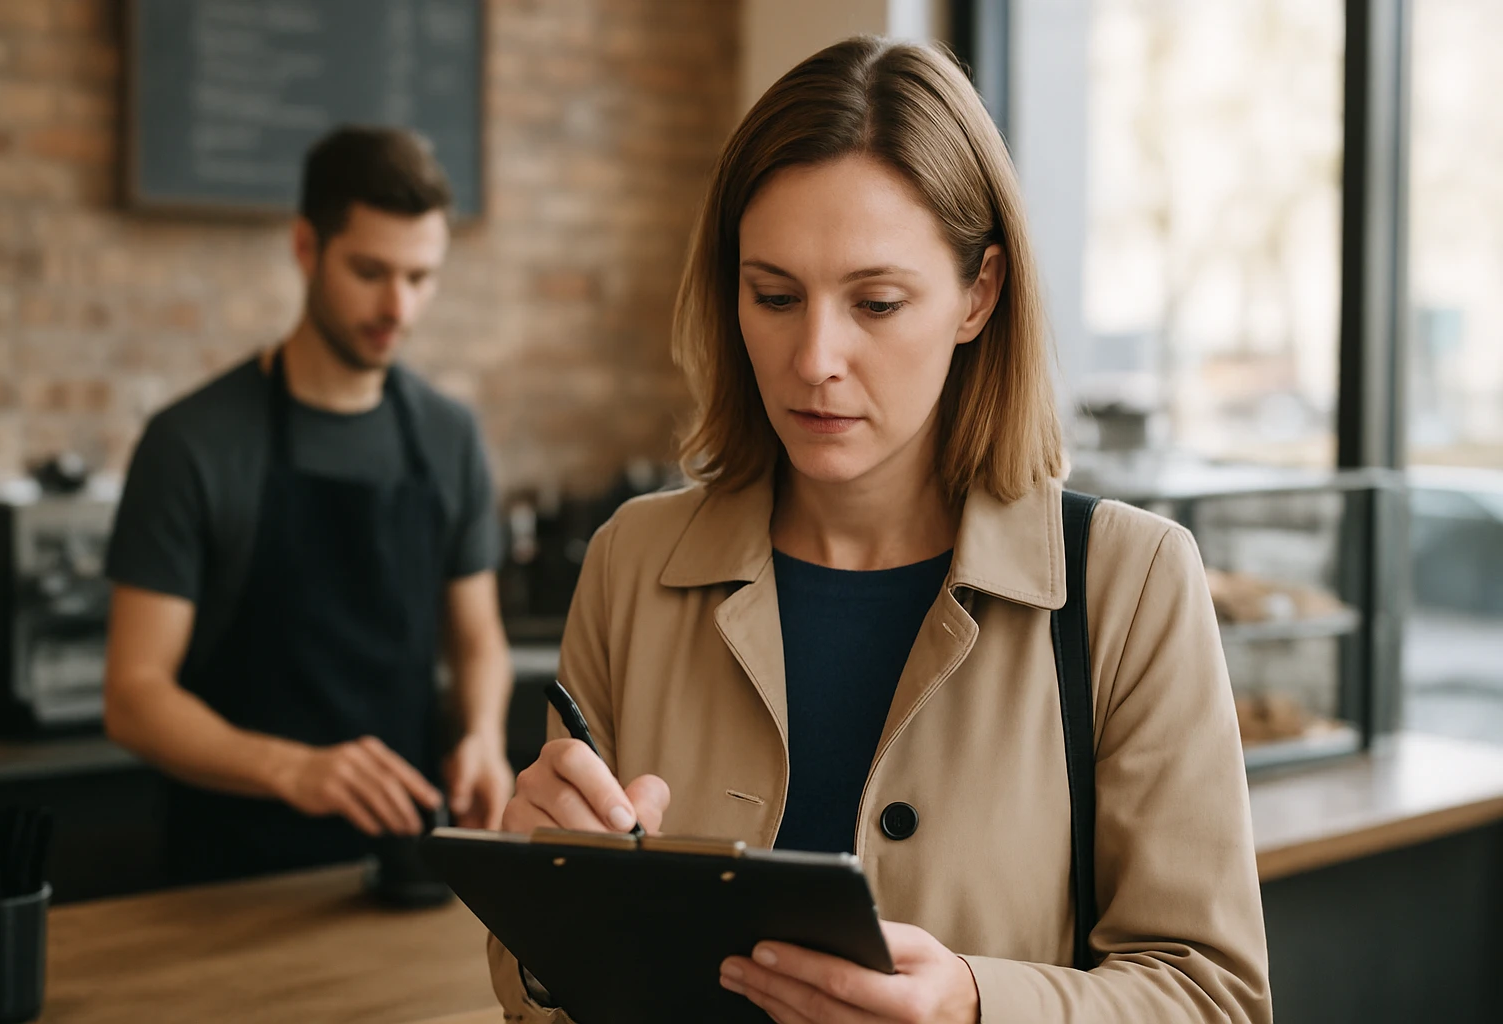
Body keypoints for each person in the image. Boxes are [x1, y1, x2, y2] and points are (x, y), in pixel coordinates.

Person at [488, 38, 1271, 1024]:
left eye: (877, 302)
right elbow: (547, 995)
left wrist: (980, 1007)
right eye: (773, 295)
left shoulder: (1132, 580)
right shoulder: (631, 563)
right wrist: (539, 906)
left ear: (978, 295)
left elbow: (1213, 999)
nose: (815, 356)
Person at [103, 127, 514, 885]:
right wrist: (292, 769)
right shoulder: (192, 443)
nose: (399, 306)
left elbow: (478, 637)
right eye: (370, 271)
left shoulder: (448, 436)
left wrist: (485, 735)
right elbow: (133, 695)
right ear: (304, 247)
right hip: (230, 881)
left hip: (408, 874)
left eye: (422, 278)